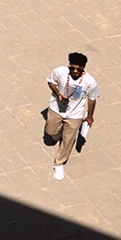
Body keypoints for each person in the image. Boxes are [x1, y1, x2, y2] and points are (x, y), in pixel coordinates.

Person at [44, 52, 100, 180]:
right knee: (51, 130)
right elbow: (50, 81)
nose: (75, 71)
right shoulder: (60, 71)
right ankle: (58, 133)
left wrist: (90, 115)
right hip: (56, 108)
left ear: (84, 67)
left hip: (75, 114)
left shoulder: (90, 82)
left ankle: (59, 163)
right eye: (72, 68)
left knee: (68, 139)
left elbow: (92, 99)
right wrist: (57, 93)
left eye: (78, 69)